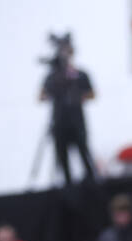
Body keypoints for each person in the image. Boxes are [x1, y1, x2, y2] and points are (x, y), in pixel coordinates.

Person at [38, 35, 96, 186]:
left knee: (84, 155)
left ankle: (91, 182)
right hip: (59, 123)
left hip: (77, 122)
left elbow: (92, 94)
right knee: (63, 161)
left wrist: (76, 94)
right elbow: (42, 96)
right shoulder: (52, 77)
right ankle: (68, 187)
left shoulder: (80, 74)